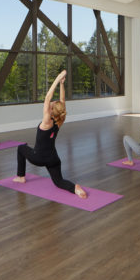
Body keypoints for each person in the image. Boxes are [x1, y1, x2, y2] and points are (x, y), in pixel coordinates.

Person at [14, 70, 87, 198]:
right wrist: (62, 84)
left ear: (52, 110)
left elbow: (47, 97)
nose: (52, 102)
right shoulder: (60, 120)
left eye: (53, 104)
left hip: (39, 158)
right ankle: (75, 188)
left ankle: (21, 177)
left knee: (21, 148)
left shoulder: (47, 121)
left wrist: (58, 78)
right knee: (59, 182)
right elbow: (62, 102)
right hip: (53, 159)